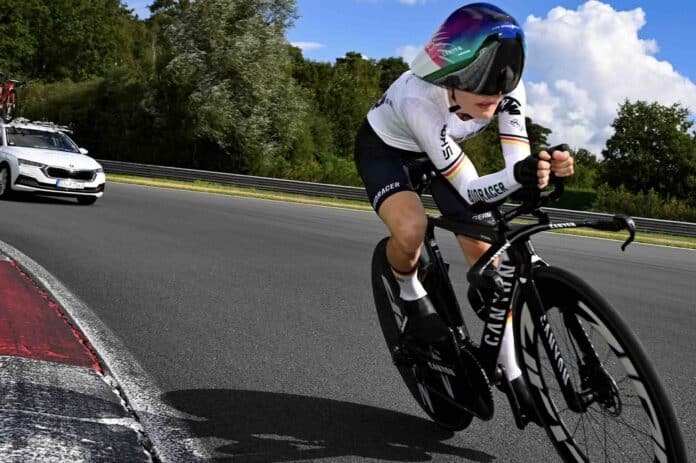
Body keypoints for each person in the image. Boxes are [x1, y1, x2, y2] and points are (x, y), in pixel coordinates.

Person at [354, 2, 574, 422]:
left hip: (440, 151)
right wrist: (521, 176)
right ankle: (409, 291)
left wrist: (544, 170)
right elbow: (472, 188)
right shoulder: (421, 99)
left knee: (489, 256)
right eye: (482, 90)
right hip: (387, 152)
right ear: (452, 78)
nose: (494, 101)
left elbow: (514, 167)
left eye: (500, 90)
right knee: (412, 230)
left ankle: (511, 371)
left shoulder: (508, 89)